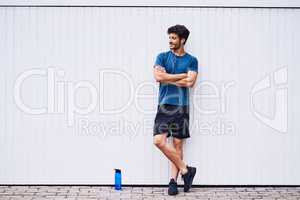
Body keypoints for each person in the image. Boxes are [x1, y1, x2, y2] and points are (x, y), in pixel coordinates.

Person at [153, 24, 199, 195]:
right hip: (164, 105)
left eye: (174, 38)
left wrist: (167, 78)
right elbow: (158, 76)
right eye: (169, 38)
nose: (170, 41)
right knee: (159, 141)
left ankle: (173, 181)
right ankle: (186, 170)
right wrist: (181, 75)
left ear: (183, 40)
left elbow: (190, 82)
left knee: (177, 145)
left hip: (182, 106)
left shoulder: (192, 60)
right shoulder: (162, 57)